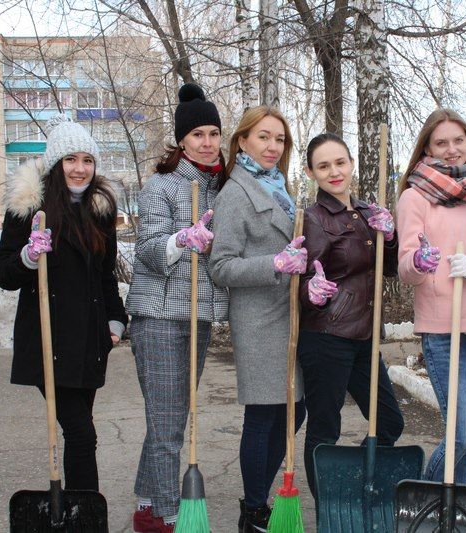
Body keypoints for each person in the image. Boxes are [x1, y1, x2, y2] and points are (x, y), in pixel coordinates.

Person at [0, 114, 127, 492]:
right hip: (48, 342)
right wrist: (28, 257)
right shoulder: (29, 209)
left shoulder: (99, 212)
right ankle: (86, 516)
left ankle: (73, 510)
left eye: (87, 160)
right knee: (82, 434)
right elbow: (2, 273)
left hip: (88, 342)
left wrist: (115, 322)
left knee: (79, 432)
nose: (80, 169)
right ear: (55, 164)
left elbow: (105, 276)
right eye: (71, 160)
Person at [125, 83, 229, 533]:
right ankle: (169, 515)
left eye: (213, 133)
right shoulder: (161, 186)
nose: (206, 143)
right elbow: (146, 251)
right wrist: (180, 240)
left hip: (198, 316)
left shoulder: (222, 188)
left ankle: (148, 502)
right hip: (160, 317)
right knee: (169, 424)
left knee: (169, 417)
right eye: (197, 135)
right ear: (181, 140)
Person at [395, 108, 466, 483]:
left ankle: (451, 513)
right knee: (459, 435)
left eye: (458, 141)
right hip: (443, 330)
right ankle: (423, 504)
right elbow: (405, 267)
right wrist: (421, 261)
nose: (451, 149)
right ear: (427, 147)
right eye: (441, 142)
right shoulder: (415, 198)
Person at [209, 106, 307, 533]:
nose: (272, 147)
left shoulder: (279, 188)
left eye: (280, 139)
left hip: (289, 315)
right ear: (243, 140)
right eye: (263, 137)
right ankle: (252, 510)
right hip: (258, 319)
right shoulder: (234, 193)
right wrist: (276, 263)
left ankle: (258, 497)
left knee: (295, 410)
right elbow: (221, 266)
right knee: (265, 416)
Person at [297, 132, 404, 500]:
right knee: (326, 429)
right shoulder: (313, 218)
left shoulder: (365, 213)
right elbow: (306, 278)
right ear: (312, 172)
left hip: (364, 336)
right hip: (327, 337)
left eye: (340, 162)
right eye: (323, 166)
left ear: (351, 164)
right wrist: (311, 291)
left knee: (390, 421)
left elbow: (387, 270)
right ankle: (329, 506)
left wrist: (389, 238)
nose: (334, 171)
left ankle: (349, 484)